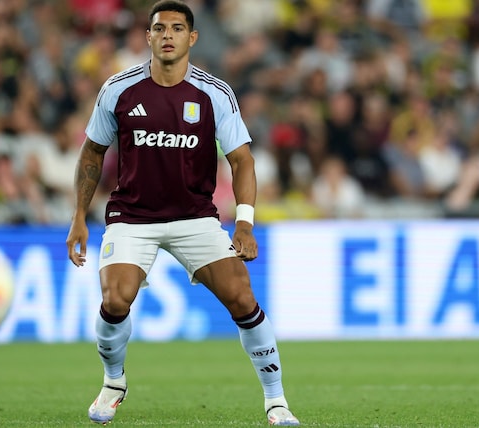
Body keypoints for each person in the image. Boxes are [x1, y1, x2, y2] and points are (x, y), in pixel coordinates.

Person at [65, 1, 300, 426]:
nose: (167, 35)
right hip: (132, 217)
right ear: (148, 37)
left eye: (177, 28)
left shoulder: (213, 93)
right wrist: (79, 216)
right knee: (115, 298)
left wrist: (244, 221)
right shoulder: (118, 89)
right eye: (159, 28)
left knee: (243, 298)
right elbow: (92, 153)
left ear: (192, 38)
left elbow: (242, 160)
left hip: (195, 217)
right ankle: (113, 381)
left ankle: (276, 400)